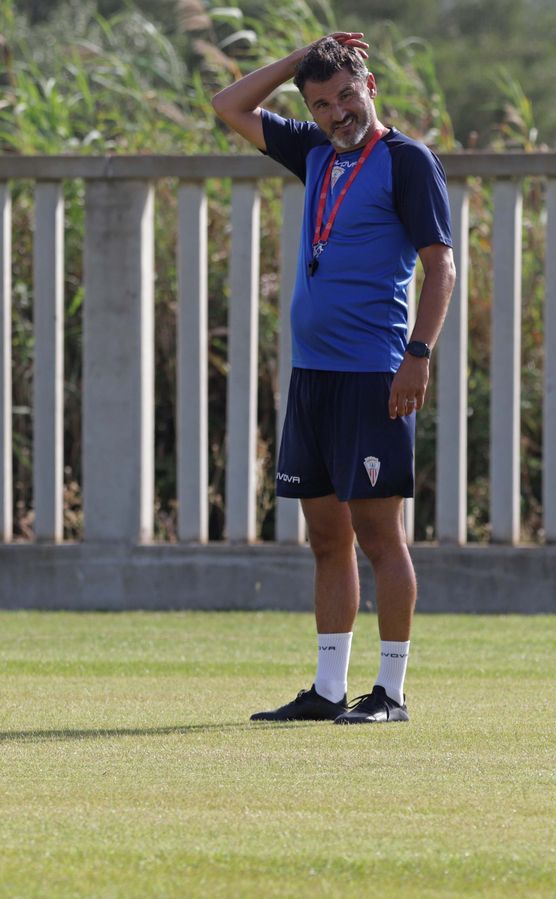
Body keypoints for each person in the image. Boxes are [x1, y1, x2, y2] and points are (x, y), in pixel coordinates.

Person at [211, 34, 455, 724]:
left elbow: (442, 268)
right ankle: (326, 689)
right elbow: (228, 105)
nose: (337, 112)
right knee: (326, 538)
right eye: (321, 103)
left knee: (381, 536)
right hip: (312, 378)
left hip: (374, 376)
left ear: (369, 87)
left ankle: (392, 693)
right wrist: (297, 61)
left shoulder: (407, 162)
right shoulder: (315, 150)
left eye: (346, 95)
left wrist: (419, 355)